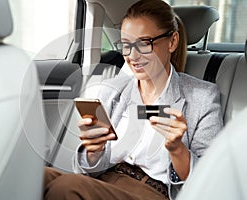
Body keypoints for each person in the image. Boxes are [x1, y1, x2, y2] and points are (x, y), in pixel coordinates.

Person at [44, 0, 223, 199]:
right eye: (127, 45)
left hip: (153, 191)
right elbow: (86, 168)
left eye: (144, 43)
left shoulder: (202, 97)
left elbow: (213, 179)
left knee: (68, 186)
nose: (132, 56)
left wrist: (178, 150)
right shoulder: (112, 90)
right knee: (40, 177)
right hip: (105, 181)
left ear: (172, 42)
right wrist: (94, 152)